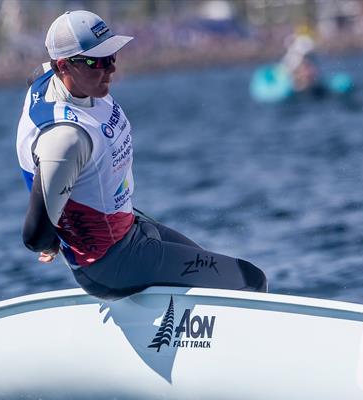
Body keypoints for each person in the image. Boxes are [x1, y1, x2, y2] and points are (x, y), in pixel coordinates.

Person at [17, 10, 267, 299]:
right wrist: (52, 241)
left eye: (112, 56)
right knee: (250, 281)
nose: (110, 68)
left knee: (218, 283)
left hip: (130, 230)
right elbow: (34, 234)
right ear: (64, 66)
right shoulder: (66, 139)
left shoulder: (48, 77)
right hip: (112, 265)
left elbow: (35, 75)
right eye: (97, 61)